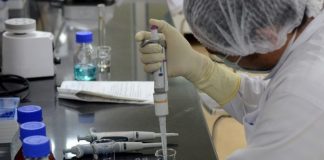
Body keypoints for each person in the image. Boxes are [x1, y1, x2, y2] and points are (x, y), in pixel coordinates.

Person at [136, 0, 324, 159]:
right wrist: (201, 69)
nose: (223, 59)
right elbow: (271, 101)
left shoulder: (302, 97)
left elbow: (288, 106)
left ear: (266, 37)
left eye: (221, 53)